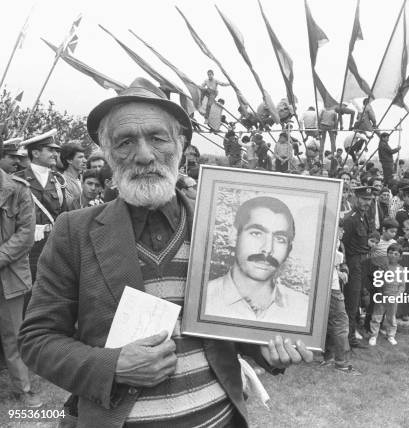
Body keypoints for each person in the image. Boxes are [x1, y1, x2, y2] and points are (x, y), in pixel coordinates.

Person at [18, 77, 312, 427]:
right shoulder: (74, 231)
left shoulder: (219, 223)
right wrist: (113, 366)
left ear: (181, 144)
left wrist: (267, 347)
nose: (144, 155)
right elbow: (37, 340)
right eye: (125, 142)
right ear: (107, 151)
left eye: (157, 138)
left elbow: (230, 324)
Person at [205, 196, 309, 325]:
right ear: (233, 236)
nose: (267, 249)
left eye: (280, 239)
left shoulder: (304, 309)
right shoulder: (202, 299)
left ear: (289, 249)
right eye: (256, 233)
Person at [0, 147, 42, 408]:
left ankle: (23, 388)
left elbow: (26, 235)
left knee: (14, 334)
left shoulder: (17, 190)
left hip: (9, 276)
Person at [14, 129, 68, 281]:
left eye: (56, 150)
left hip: (54, 243)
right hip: (27, 246)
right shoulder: (17, 180)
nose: (55, 154)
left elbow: (64, 214)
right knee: (29, 289)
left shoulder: (59, 181)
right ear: (36, 153)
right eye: (50, 150)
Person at [319, 219, 360, 375]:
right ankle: (342, 364)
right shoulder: (331, 240)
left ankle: (328, 357)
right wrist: (338, 272)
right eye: (340, 228)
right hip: (332, 287)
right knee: (341, 324)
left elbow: (337, 263)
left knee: (330, 323)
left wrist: (341, 270)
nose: (343, 232)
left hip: (327, 287)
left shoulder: (330, 240)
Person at [342, 186, 375, 348]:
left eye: (369, 200)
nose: (366, 203)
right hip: (353, 264)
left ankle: (351, 336)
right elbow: (343, 246)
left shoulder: (364, 216)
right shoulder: (350, 219)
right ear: (356, 198)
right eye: (363, 199)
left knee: (358, 301)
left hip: (363, 262)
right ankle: (349, 340)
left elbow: (365, 237)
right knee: (351, 303)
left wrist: (368, 243)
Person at [369, 244, 405, 346]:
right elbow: (378, 281)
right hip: (381, 296)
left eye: (396, 254)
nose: (392, 255)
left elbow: (402, 285)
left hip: (393, 298)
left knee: (391, 317)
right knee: (376, 316)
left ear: (400, 257)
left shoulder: (401, 269)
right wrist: (379, 292)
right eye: (390, 253)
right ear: (387, 254)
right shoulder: (382, 267)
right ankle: (373, 335)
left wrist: (398, 295)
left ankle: (391, 336)